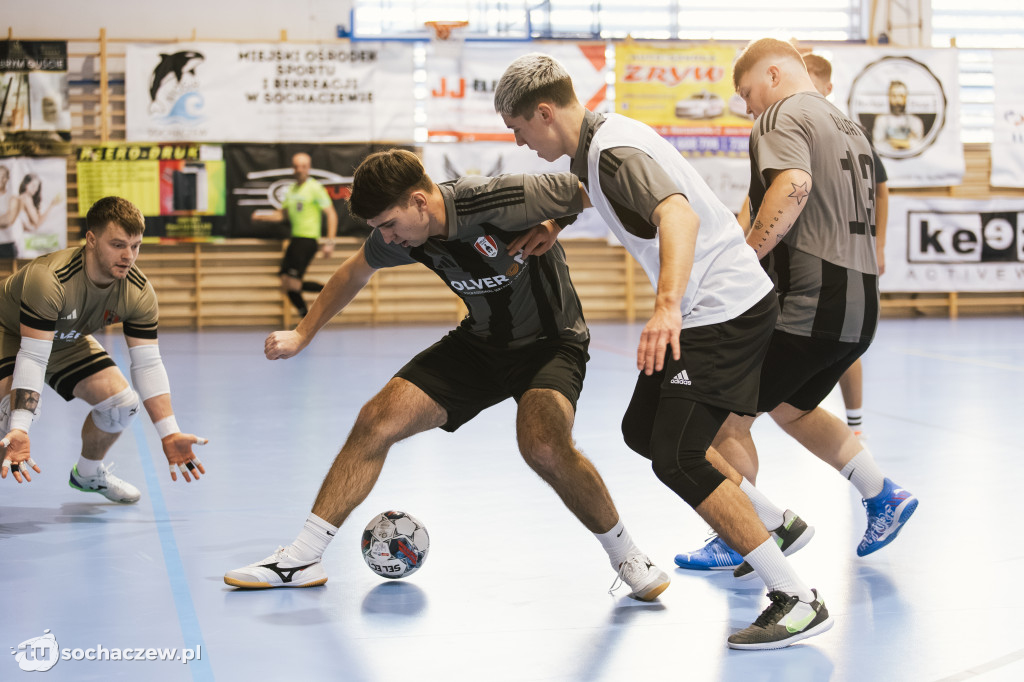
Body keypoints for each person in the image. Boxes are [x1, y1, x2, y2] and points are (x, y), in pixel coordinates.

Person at [225, 149, 671, 603]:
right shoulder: (403, 236)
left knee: (543, 445)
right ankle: (303, 558)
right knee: (375, 421)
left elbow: (599, 184)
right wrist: (303, 333)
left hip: (551, 343)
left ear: (420, 202)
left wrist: (557, 221)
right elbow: (354, 271)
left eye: (389, 224)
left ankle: (628, 556)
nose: (386, 238)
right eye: (379, 228)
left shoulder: (498, 198)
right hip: (479, 345)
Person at [494, 53, 832, 650]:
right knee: (643, 430)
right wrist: (557, 223)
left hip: (720, 310)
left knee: (678, 458)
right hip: (713, 305)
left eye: (519, 129)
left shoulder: (612, 150)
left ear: (544, 113)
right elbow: (598, 189)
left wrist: (667, 306)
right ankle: (775, 521)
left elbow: (677, 215)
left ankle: (797, 598)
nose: (520, 142)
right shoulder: (598, 142)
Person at [675, 38, 917, 565]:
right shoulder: (848, 126)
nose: (747, 107)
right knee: (793, 408)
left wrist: (745, 259)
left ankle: (745, 535)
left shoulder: (780, 115)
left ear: (773, 74)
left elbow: (793, 184)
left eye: (747, 92)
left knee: (718, 419)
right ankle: (883, 494)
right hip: (859, 308)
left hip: (808, 303)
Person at [0, 196, 209, 499]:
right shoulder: (50, 280)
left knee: (121, 406)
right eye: (118, 245)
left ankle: (87, 474)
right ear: (91, 240)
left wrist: (169, 432)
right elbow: (32, 356)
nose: (128, 256)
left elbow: (148, 364)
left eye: (135, 246)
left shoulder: (138, 292)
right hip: (7, 331)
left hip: (63, 339)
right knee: (10, 419)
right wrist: (20, 426)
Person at [803, 53, 890, 437]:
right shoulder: (796, 125)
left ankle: (854, 424)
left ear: (828, 88)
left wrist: (879, 245)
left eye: (812, 85)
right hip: (811, 250)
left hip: (843, 251)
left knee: (845, 337)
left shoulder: (849, 131)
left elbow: (882, 190)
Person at [252, 152, 338, 318]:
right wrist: (261, 217)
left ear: (309, 168)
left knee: (292, 283)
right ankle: (305, 316)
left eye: (303, 166)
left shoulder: (315, 188)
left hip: (307, 240)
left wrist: (330, 242)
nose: (300, 170)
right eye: (297, 166)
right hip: (295, 239)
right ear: (293, 168)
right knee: (286, 282)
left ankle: (331, 294)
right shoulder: (291, 190)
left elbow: (331, 214)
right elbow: (281, 215)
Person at [872, 80, 925, 155]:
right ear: (889, 97)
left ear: (906, 97)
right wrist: (906, 143)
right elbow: (878, 145)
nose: (897, 100)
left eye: (901, 96)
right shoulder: (881, 120)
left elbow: (919, 146)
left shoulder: (915, 121)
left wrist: (893, 142)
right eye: (894, 96)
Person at [0, 165, 19, 258]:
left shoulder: (12, 198)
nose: (1, 179)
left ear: (7, 179)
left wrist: (6, 218)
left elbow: (7, 220)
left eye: (3, 176)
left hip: (6, 246)